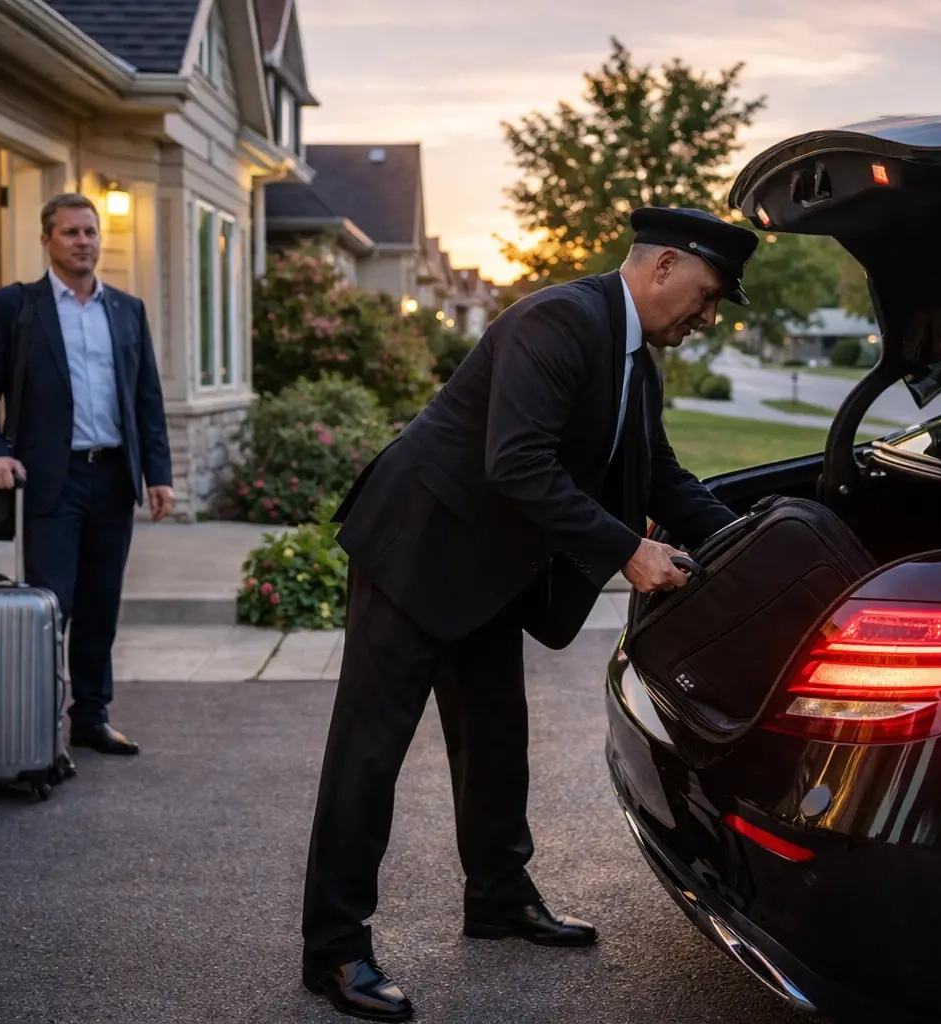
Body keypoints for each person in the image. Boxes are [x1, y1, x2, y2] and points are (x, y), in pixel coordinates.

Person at [300, 207, 760, 1021]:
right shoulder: (557, 321)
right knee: (369, 756)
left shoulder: (634, 365)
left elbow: (659, 476)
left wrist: (751, 547)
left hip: (485, 571)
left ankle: (499, 899)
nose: (709, 315)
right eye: (710, 293)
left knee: (495, 739)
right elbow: (516, 461)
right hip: (417, 547)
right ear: (662, 268)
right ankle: (334, 949)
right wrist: (628, 550)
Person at [0, 192, 175, 758]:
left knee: (101, 603)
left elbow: (146, 398)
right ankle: (36, 720)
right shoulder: (15, 307)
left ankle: (91, 717)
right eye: (71, 233)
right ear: (46, 240)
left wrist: (159, 473)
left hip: (112, 479)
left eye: (90, 232)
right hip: (51, 480)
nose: (84, 242)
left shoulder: (126, 309)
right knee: (51, 604)